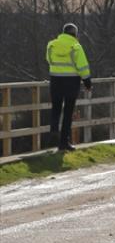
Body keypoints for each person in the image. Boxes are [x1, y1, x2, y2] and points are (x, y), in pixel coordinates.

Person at [46, 23, 91, 151]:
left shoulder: (51, 45)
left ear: (63, 32)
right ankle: (63, 143)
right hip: (71, 82)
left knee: (56, 108)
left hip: (55, 81)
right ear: (75, 34)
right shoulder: (76, 46)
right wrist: (87, 82)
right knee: (68, 112)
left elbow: (49, 60)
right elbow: (83, 66)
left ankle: (54, 130)